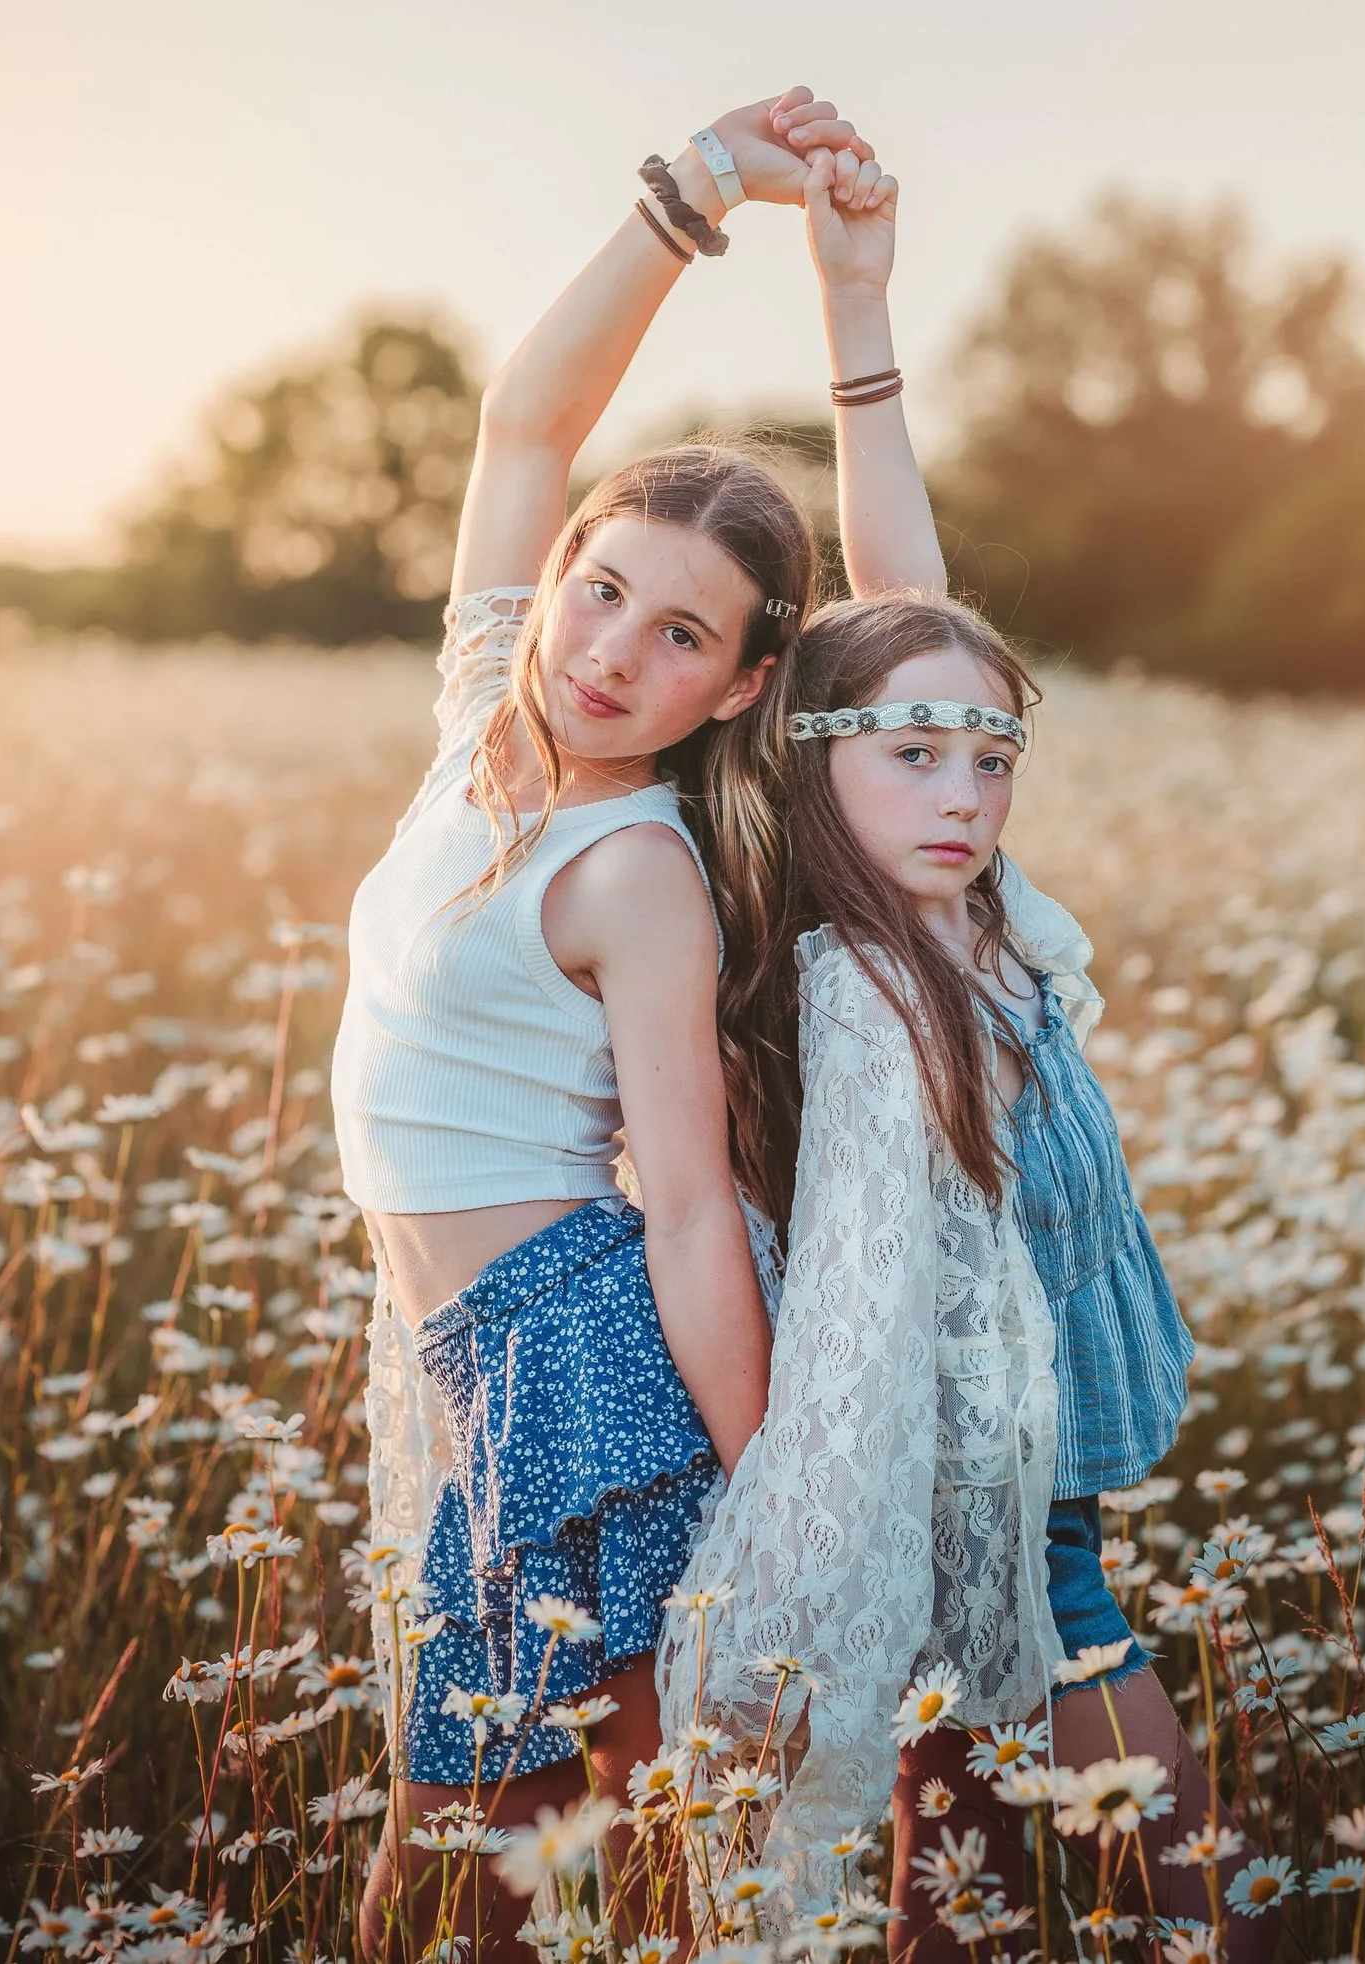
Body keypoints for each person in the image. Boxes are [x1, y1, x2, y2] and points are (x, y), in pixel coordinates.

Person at [660, 150, 1271, 1964]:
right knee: (1062, 1723)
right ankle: (1203, 1928)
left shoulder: (967, 898)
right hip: (978, 1419)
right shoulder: (857, 977)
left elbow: (906, 616)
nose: (964, 790)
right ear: (820, 754)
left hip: (1046, 1382)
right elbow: (865, 1275)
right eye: (918, 756)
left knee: (971, 1788)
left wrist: (863, 324)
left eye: (993, 754)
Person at [331, 90, 887, 1960]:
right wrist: (696, 190)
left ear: (739, 688)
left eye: (678, 640)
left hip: (578, 1381)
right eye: (605, 592)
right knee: (508, 1882)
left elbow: (687, 1208)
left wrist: (778, 1499)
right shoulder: (486, 724)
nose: (611, 652)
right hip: (491, 1376)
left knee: (516, 1884)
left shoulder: (637, 872)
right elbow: (526, 421)